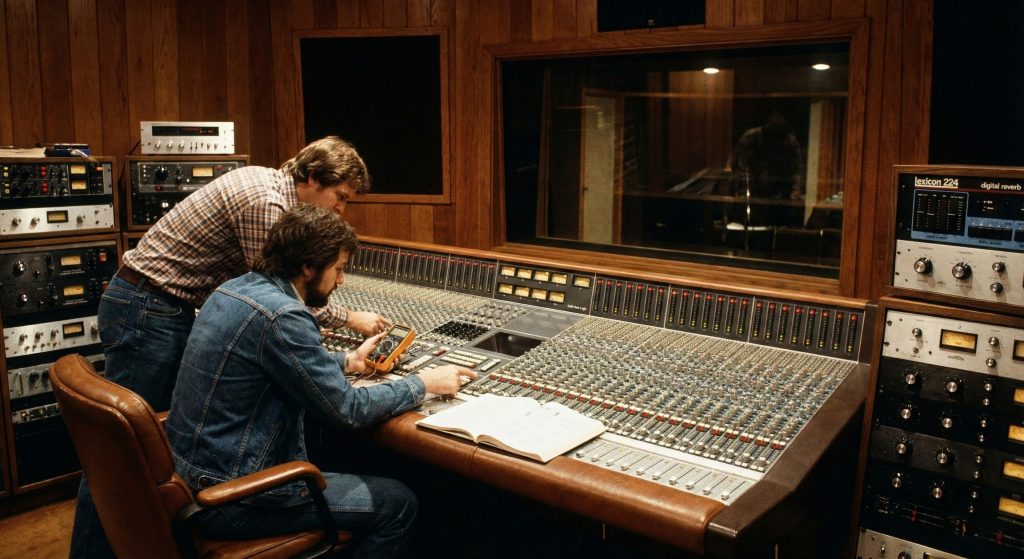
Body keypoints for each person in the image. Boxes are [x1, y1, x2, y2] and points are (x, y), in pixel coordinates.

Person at [69, 136, 391, 558]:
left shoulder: (267, 185)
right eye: (340, 197)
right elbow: (278, 291)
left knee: (136, 452)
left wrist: (341, 356)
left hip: (160, 305)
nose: (339, 209)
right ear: (311, 177)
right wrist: (345, 319)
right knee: (120, 454)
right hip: (148, 307)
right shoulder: (266, 204)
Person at [166, 204, 474, 557]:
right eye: (339, 269)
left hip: (193, 479)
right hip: (235, 499)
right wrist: (424, 383)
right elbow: (348, 409)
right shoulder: (284, 315)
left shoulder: (233, 290)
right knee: (398, 504)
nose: (342, 281)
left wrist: (351, 361)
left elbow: (275, 362)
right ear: (308, 267)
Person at [726, 112, 804, 200]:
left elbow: (798, 169)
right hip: (753, 191)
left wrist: (795, 191)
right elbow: (736, 164)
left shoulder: (790, 141)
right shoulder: (751, 137)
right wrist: (743, 188)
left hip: (781, 193)